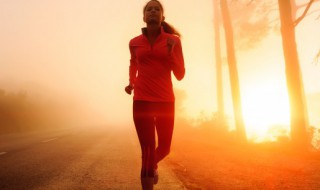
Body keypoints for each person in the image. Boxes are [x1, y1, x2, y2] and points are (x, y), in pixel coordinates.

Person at [125, 0, 185, 189]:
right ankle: (149, 173)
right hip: (142, 99)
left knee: (164, 148)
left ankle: (152, 166)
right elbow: (134, 64)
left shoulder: (173, 41)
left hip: (165, 100)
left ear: (162, 17)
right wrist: (131, 83)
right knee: (148, 151)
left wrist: (170, 54)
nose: (152, 11)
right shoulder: (134, 43)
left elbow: (180, 74)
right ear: (144, 17)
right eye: (149, 9)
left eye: (156, 9)